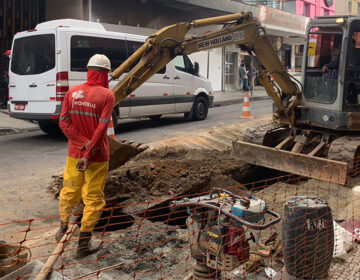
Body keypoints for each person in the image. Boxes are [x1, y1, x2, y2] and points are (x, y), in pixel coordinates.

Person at [56, 54, 115, 258]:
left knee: (70, 189)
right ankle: (83, 244)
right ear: (106, 73)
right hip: (97, 157)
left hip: (74, 154)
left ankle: (63, 226)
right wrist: (89, 152)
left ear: (89, 70)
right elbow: (101, 128)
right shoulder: (107, 95)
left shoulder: (72, 92)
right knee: (93, 197)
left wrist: (81, 144)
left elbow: (63, 122)